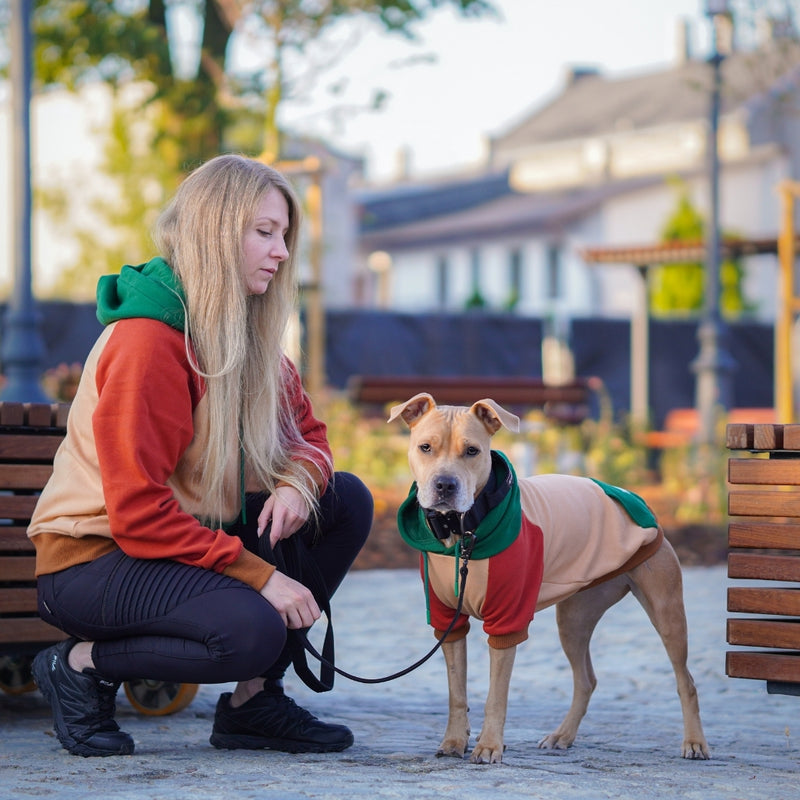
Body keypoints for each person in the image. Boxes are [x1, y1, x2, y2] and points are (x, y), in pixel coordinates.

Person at [28, 153, 373, 758]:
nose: (282, 252)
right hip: (95, 558)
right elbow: (136, 513)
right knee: (251, 629)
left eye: (285, 235)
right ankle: (79, 665)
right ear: (215, 232)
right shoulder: (150, 342)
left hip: (175, 545)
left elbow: (311, 438)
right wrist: (264, 578)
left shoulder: (246, 334)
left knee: (342, 499)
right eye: (264, 232)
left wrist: (296, 484)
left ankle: (252, 704)